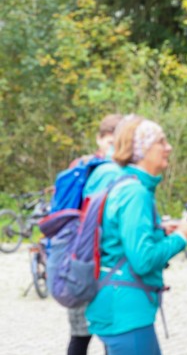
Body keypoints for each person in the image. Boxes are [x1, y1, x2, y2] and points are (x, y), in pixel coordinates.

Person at [85, 116, 187, 355]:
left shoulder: (125, 185)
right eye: (161, 141)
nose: (168, 147)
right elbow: (143, 260)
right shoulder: (134, 192)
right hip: (126, 310)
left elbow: (119, 239)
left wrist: (160, 230)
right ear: (141, 150)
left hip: (117, 303)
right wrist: (182, 236)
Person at [65, 113, 122, 355]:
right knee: (80, 335)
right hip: (83, 262)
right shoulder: (82, 168)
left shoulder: (126, 172)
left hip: (110, 264)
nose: (113, 149)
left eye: (118, 143)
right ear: (99, 139)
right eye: (110, 142)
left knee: (114, 336)